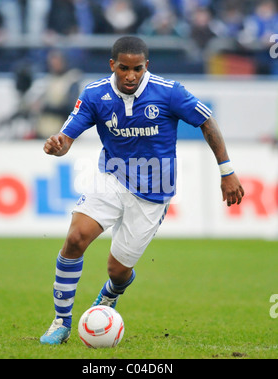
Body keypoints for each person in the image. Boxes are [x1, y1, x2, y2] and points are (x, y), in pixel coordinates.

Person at [40, 36, 245, 345]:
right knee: (74, 239)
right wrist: (58, 145)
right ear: (113, 65)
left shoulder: (169, 92)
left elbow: (207, 121)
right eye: (124, 68)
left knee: (117, 270)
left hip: (153, 193)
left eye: (137, 68)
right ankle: (61, 321)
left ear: (146, 66)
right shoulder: (95, 94)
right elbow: (66, 137)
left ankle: (110, 294)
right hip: (111, 178)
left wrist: (226, 171)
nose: (131, 76)